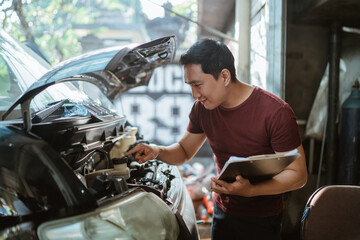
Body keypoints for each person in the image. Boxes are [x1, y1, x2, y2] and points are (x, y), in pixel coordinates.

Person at [126, 39, 308, 240]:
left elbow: (298, 175)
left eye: (198, 85)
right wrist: (157, 151)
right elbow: (184, 151)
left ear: (224, 76)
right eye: (190, 86)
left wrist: (252, 190)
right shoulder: (202, 109)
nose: (195, 95)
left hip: (263, 220)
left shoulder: (275, 112)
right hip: (222, 213)